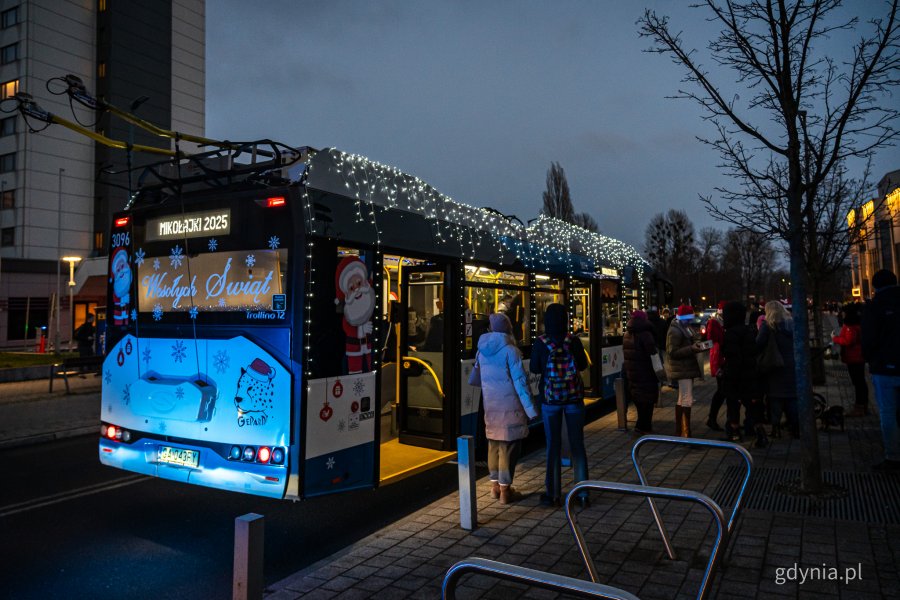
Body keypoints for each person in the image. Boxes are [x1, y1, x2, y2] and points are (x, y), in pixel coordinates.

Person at [475, 313, 539, 504]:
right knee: (509, 447)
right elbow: (521, 383)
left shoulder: (481, 351)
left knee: (493, 445)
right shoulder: (511, 351)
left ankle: (494, 488)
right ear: (508, 328)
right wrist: (531, 410)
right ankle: (505, 490)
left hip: (491, 405)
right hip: (510, 406)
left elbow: (476, 379)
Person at [530, 303, 589, 507]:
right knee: (577, 445)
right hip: (574, 399)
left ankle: (553, 494)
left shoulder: (540, 342)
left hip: (550, 400)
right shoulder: (573, 340)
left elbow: (534, 368)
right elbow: (582, 365)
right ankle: (582, 495)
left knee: (553, 445)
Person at [861, 269, 900, 472]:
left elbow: (868, 338)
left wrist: (871, 359)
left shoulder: (874, 307)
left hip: (884, 368)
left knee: (887, 412)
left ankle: (893, 455)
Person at [720, 302, 762, 443]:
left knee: (733, 405)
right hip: (750, 373)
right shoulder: (748, 331)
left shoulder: (730, 334)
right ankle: (758, 431)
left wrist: (728, 373)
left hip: (736, 376)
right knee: (751, 404)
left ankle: (735, 432)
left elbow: (733, 357)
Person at [757, 301, 796, 442]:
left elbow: (759, 344)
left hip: (775, 365)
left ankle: (776, 428)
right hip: (792, 365)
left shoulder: (768, 326)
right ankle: (795, 427)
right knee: (792, 397)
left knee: (775, 398)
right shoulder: (791, 324)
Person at [665, 304, 705, 437]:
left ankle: (680, 431)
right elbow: (672, 352)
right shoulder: (675, 330)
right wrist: (692, 348)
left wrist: (698, 343)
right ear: (682, 317)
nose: (690, 321)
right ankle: (686, 433)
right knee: (687, 398)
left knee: (682, 398)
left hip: (685, 367)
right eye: (688, 318)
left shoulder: (684, 326)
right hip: (682, 368)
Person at [623, 310, 660, 435]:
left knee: (638, 398)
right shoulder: (645, 334)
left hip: (633, 372)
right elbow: (652, 353)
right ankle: (645, 427)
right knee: (648, 400)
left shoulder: (627, 333)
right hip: (646, 371)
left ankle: (640, 426)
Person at [832, 302, 867, 417]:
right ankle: (862, 404)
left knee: (858, 382)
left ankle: (860, 406)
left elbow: (848, 341)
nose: (841, 314)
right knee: (860, 381)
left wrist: (835, 339)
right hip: (856, 357)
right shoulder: (854, 325)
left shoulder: (850, 327)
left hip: (854, 357)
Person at [705, 302, 726, 431]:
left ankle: (712, 419)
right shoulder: (715, 322)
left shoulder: (721, 322)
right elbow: (712, 341)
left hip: (721, 359)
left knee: (722, 391)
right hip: (719, 360)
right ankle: (711, 419)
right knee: (721, 391)